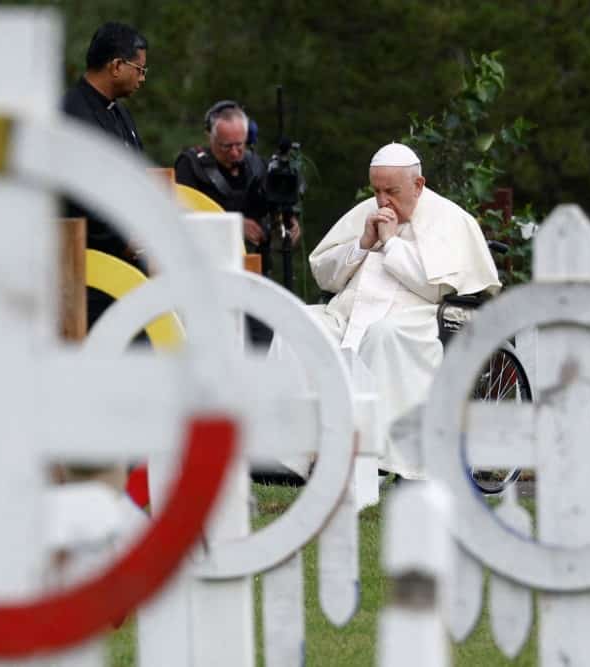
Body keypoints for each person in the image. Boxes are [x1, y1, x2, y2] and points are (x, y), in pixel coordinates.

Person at [308, 143, 500, 478]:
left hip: (421, 318)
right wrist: (362, 244)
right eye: (377, 191)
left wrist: (393, 243)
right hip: (349, 315)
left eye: (391, 191)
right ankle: (295, 453)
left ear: (418, 185)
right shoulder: (366, 213)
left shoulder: (451, 219)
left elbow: (438, 287)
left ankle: (380, 459)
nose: (382, 202)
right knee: (301, 324)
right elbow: (325, 275)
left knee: (382, 336)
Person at [61, 22, 148, 326]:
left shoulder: (121, 113)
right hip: (86, 269)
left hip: (129, 268)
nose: (141, 78)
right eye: (139, 69)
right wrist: (120, 240)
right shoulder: (70, 115)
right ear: (116, 66)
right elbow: (75, 194)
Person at [174, 100, 301, 255]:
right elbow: (182, 218)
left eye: (239, 145)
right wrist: (234, 225)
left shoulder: (256, 165)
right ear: (210, 137)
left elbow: (273, 202)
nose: (234, 153)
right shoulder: (191, 165)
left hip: (256, 262)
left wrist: (286, 220)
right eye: (226, 146)